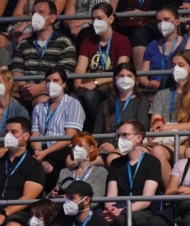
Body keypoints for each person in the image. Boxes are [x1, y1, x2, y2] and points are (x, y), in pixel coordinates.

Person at [147, 51, 190, 186]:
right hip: (163, 141)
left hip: (188, 141)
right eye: (174, 65)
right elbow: (156, 122)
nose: (176, 69)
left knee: (187, 152)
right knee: (154, 150)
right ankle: (171, 191)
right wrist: (159, 126)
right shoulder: (162, 94)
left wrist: (165, 127)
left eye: (181, 65)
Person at [103, 121, 163, 226]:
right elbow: (111, 195)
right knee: (96, 217)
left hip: (142, 210)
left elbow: (146, 200)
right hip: (118, 208)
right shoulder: (116, 163)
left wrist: (121, 211)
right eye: (119, 136)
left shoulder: (152, 162)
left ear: (139, 138)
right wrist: (110, 209)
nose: (121, 140)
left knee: (123, 219)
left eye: (125, 135)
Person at [72, 3, 130, 132]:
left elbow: (121, 71)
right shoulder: (88, 41)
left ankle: (96, 132)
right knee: (72, 98)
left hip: (110, 85)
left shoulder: (122, 40)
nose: (95, 22)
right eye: (93, 19)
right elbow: (80, 68)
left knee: (90, 96)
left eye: (100, 18)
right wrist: (77, 84)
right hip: (88, 84)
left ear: (111, 19)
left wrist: (96, 82)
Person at [10, 0, 77, 105]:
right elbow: (16, 70)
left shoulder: (64, 43)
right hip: (24, 92)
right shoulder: (23, 44)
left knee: (42, 102)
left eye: (41, 12)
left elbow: (65, 73)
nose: (36, 16)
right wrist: (24, 88)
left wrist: (39, 88)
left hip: (50, 91)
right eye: (34, 13)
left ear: (52, 18)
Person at [31, 68, 86, 193]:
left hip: (63, 148)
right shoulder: (39, 107)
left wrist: (44, 153)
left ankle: (58, 193)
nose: (51, 84)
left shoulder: (73, 103)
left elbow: (70, 136)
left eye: (56, 80)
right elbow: (35, 134)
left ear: (64, 84)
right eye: (48, 81)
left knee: (46, 165)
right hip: (42, 150)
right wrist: (37, 150)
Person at [93, 66, 151, 165]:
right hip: (104, 147)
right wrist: (100, 146)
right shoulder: (106, 104)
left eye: (129, 76)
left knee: (112, 159)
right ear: (114, 79)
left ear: (136, 80)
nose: (125, 79)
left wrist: (114, 146)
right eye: (121, 76)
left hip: (129, 146)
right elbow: (97, 133)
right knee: (73, 160)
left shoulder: (142, 102)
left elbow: (141, 130)